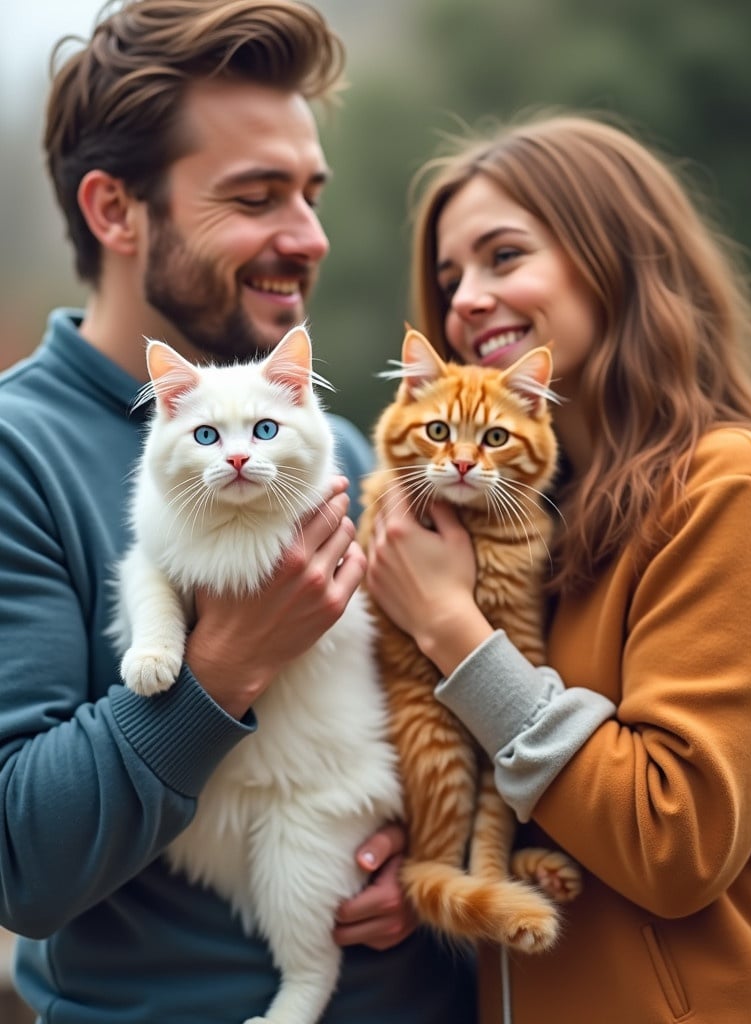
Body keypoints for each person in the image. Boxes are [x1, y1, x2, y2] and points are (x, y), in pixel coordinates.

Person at [0, 2, 477, 1022]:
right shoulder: (16, 459)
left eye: (311, 193)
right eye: (258, 196)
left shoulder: (335, 452)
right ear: (115, 212)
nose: (309, 239)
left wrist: (426, 855)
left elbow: (416, 714)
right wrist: (226, 666)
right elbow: (20, 862)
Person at [365, 110, 751, 1024]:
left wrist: (453, 631)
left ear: (616, 257)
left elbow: (680, 840)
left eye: (502, 257)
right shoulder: (536, 517)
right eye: (449, 275)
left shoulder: (726, 486)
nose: (465, 297)